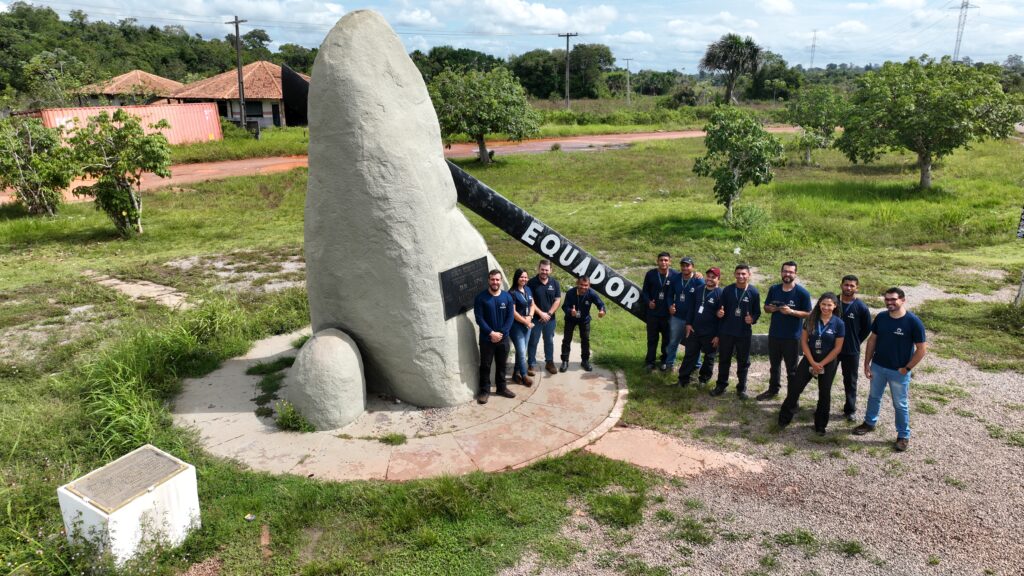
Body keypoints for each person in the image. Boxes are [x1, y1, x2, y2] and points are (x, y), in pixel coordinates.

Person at [855, 287, 927, 452]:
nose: (890, 302)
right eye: (887, 299)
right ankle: (869, 423)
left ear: (902, 300)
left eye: (893, 299)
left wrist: (907, 368)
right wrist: (867, 363)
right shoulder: (881, 317)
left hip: (898, 371)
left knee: (900, 404)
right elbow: (872, 340)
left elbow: (921, 349)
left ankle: (903, 435)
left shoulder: (913, 322)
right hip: (878, 367)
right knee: (874, 397)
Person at [777, 292, 846, 434]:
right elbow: (803, 341)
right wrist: (812, 362)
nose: (826, 307)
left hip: (828, 362)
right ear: (819, 304)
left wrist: (820, 364)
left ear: (835, 306)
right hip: (810, 358)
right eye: (823, 304)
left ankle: (820, 425)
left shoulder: (839, 323)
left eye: (829, 305)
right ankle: (784, 418)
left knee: (825, 393)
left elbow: (838, 348)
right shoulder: (811, 319)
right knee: (795, 387)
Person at [758, 261, 812, 401]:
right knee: (774, 366)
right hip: (775, 335)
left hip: (792, 337)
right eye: (785, 271)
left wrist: (791, 311)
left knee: (792, 370)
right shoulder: (774, 289)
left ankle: (792, 397)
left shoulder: (802, 293)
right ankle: (773, 390)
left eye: (790, 272)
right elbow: (766, 308)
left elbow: (808, 314)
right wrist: (773, 309)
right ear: (781, 272)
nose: (787, 274)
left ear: (795, 274)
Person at [711, 264, 761, 399]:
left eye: (743, 274)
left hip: (743, 333)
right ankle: (721, 385)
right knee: (724, 359)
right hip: (726, 331)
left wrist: (753, 319)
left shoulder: (754, 292)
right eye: (738, 273)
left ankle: (741, 388)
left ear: (749, 275)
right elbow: (719, 310)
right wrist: (719, 313)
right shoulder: (727, 290)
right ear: (734, 275)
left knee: (743, 361)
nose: (741, 276)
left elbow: (757, 312)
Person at [472, 269, 516, 404]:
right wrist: (491, 333)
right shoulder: (481, 298)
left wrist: (501, 333)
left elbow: (510, 317)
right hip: (487, 339)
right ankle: (484, 391)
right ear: (488, 280)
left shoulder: (507, 297)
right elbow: (479, 318)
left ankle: (501, 388)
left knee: (502, 364)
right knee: (485, 365)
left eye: (497, 279)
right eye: (492, 279)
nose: (495, 282)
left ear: (501, 281)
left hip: (503, 339)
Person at [677, 267, 722, 387]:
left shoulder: (721, 294)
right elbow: (691, 308)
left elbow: (723, 318)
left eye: (713, 277)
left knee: (709, 358)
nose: (710, 279)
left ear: (718, 279)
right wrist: (688, 324)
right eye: (709, 276)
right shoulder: (699, 289)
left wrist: (718, 335)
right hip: (694, 330)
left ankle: (703, 380)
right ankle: (683, 379)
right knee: (689, 355)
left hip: (711, 333)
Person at [837, 275, 871, 422]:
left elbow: (867, 328)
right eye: (846, 285)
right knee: (825, 379)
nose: (848, 288)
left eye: (852, 286)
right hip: (831, 349)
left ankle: (850, 409)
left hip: (851, 350)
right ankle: (822, 407)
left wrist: (856, 341)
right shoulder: (832, 302)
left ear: (857, 288)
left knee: (850, 381)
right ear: (841, 285)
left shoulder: (861, 307)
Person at [559, 276, 607, 373]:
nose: (583, 287)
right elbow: (564, 307)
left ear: (589, 285)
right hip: (570, 319)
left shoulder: (591, 293)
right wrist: (570, 311)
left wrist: (602, 311)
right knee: (567, 339)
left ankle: (585, 361)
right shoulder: (570, 293)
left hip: (584, 319)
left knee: (585, 340)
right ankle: (565, 361)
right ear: (577, 283)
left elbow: (601, 304)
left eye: (586, 285)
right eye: (581, 285)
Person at [666, 257, 703, 372]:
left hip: (692, 320)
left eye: (688, 265)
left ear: (692, 267)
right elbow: (669, 295)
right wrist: (670, 306)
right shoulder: (675, 278)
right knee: (673, 342)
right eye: (683, 265)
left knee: (693, 344)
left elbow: (702, 298)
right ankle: (669, 364)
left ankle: (696, 366)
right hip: (677, 317)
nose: (685, 268)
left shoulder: (698, 280)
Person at [642, 252, 676, 372]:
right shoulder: (650, 274)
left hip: (667, 314)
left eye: (666, 260)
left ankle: (664, 361)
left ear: (670, 262)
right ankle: (650, 362)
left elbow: (687, 280)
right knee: (652, 339)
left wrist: (697, 274)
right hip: (653, 314)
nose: (663, 262)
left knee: (666, 340)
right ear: (657, 261)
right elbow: (644, 291)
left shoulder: (675, 275)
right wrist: (648, 302)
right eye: (661, 260)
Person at [527, 259, 562, 375]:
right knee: (533, 341)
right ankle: (531, 364)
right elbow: (530, 301)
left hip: (550, 320)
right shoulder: (531, 283)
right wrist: (541, 313)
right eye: (542, 269)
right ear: (538, 269)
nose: (544, 272)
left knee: (549, 341)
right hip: (536, 319)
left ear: (551, 270)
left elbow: (557, 300)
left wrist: (549, 314)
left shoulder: (555, 283)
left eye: (546, 270)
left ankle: (549, 362)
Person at [508, 268, 537, 387]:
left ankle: (516, 373)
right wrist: (526, 321)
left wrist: (530, 316)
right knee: (521, 351)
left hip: (527, 324)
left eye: (525, 277)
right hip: (517, 326)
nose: (524, 279)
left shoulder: (528, 289)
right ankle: (524, 375)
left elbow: (532, 305)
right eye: (521, 277)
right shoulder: (512, 293)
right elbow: (513, 313)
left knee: (522, 351)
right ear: (516, 278)